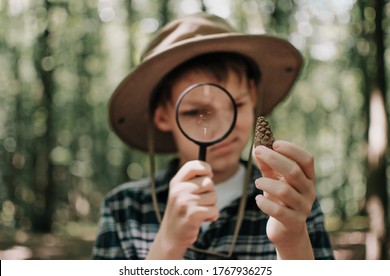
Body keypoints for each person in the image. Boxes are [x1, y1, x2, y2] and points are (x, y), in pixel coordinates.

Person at [92, 12, 334, 260]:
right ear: (162, 115)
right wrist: (167, 246)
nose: (220, 130)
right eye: (196, 112)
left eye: (236, 105)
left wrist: (292, 241)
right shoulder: (124, 209)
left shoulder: (291, 200)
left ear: (252, 97)